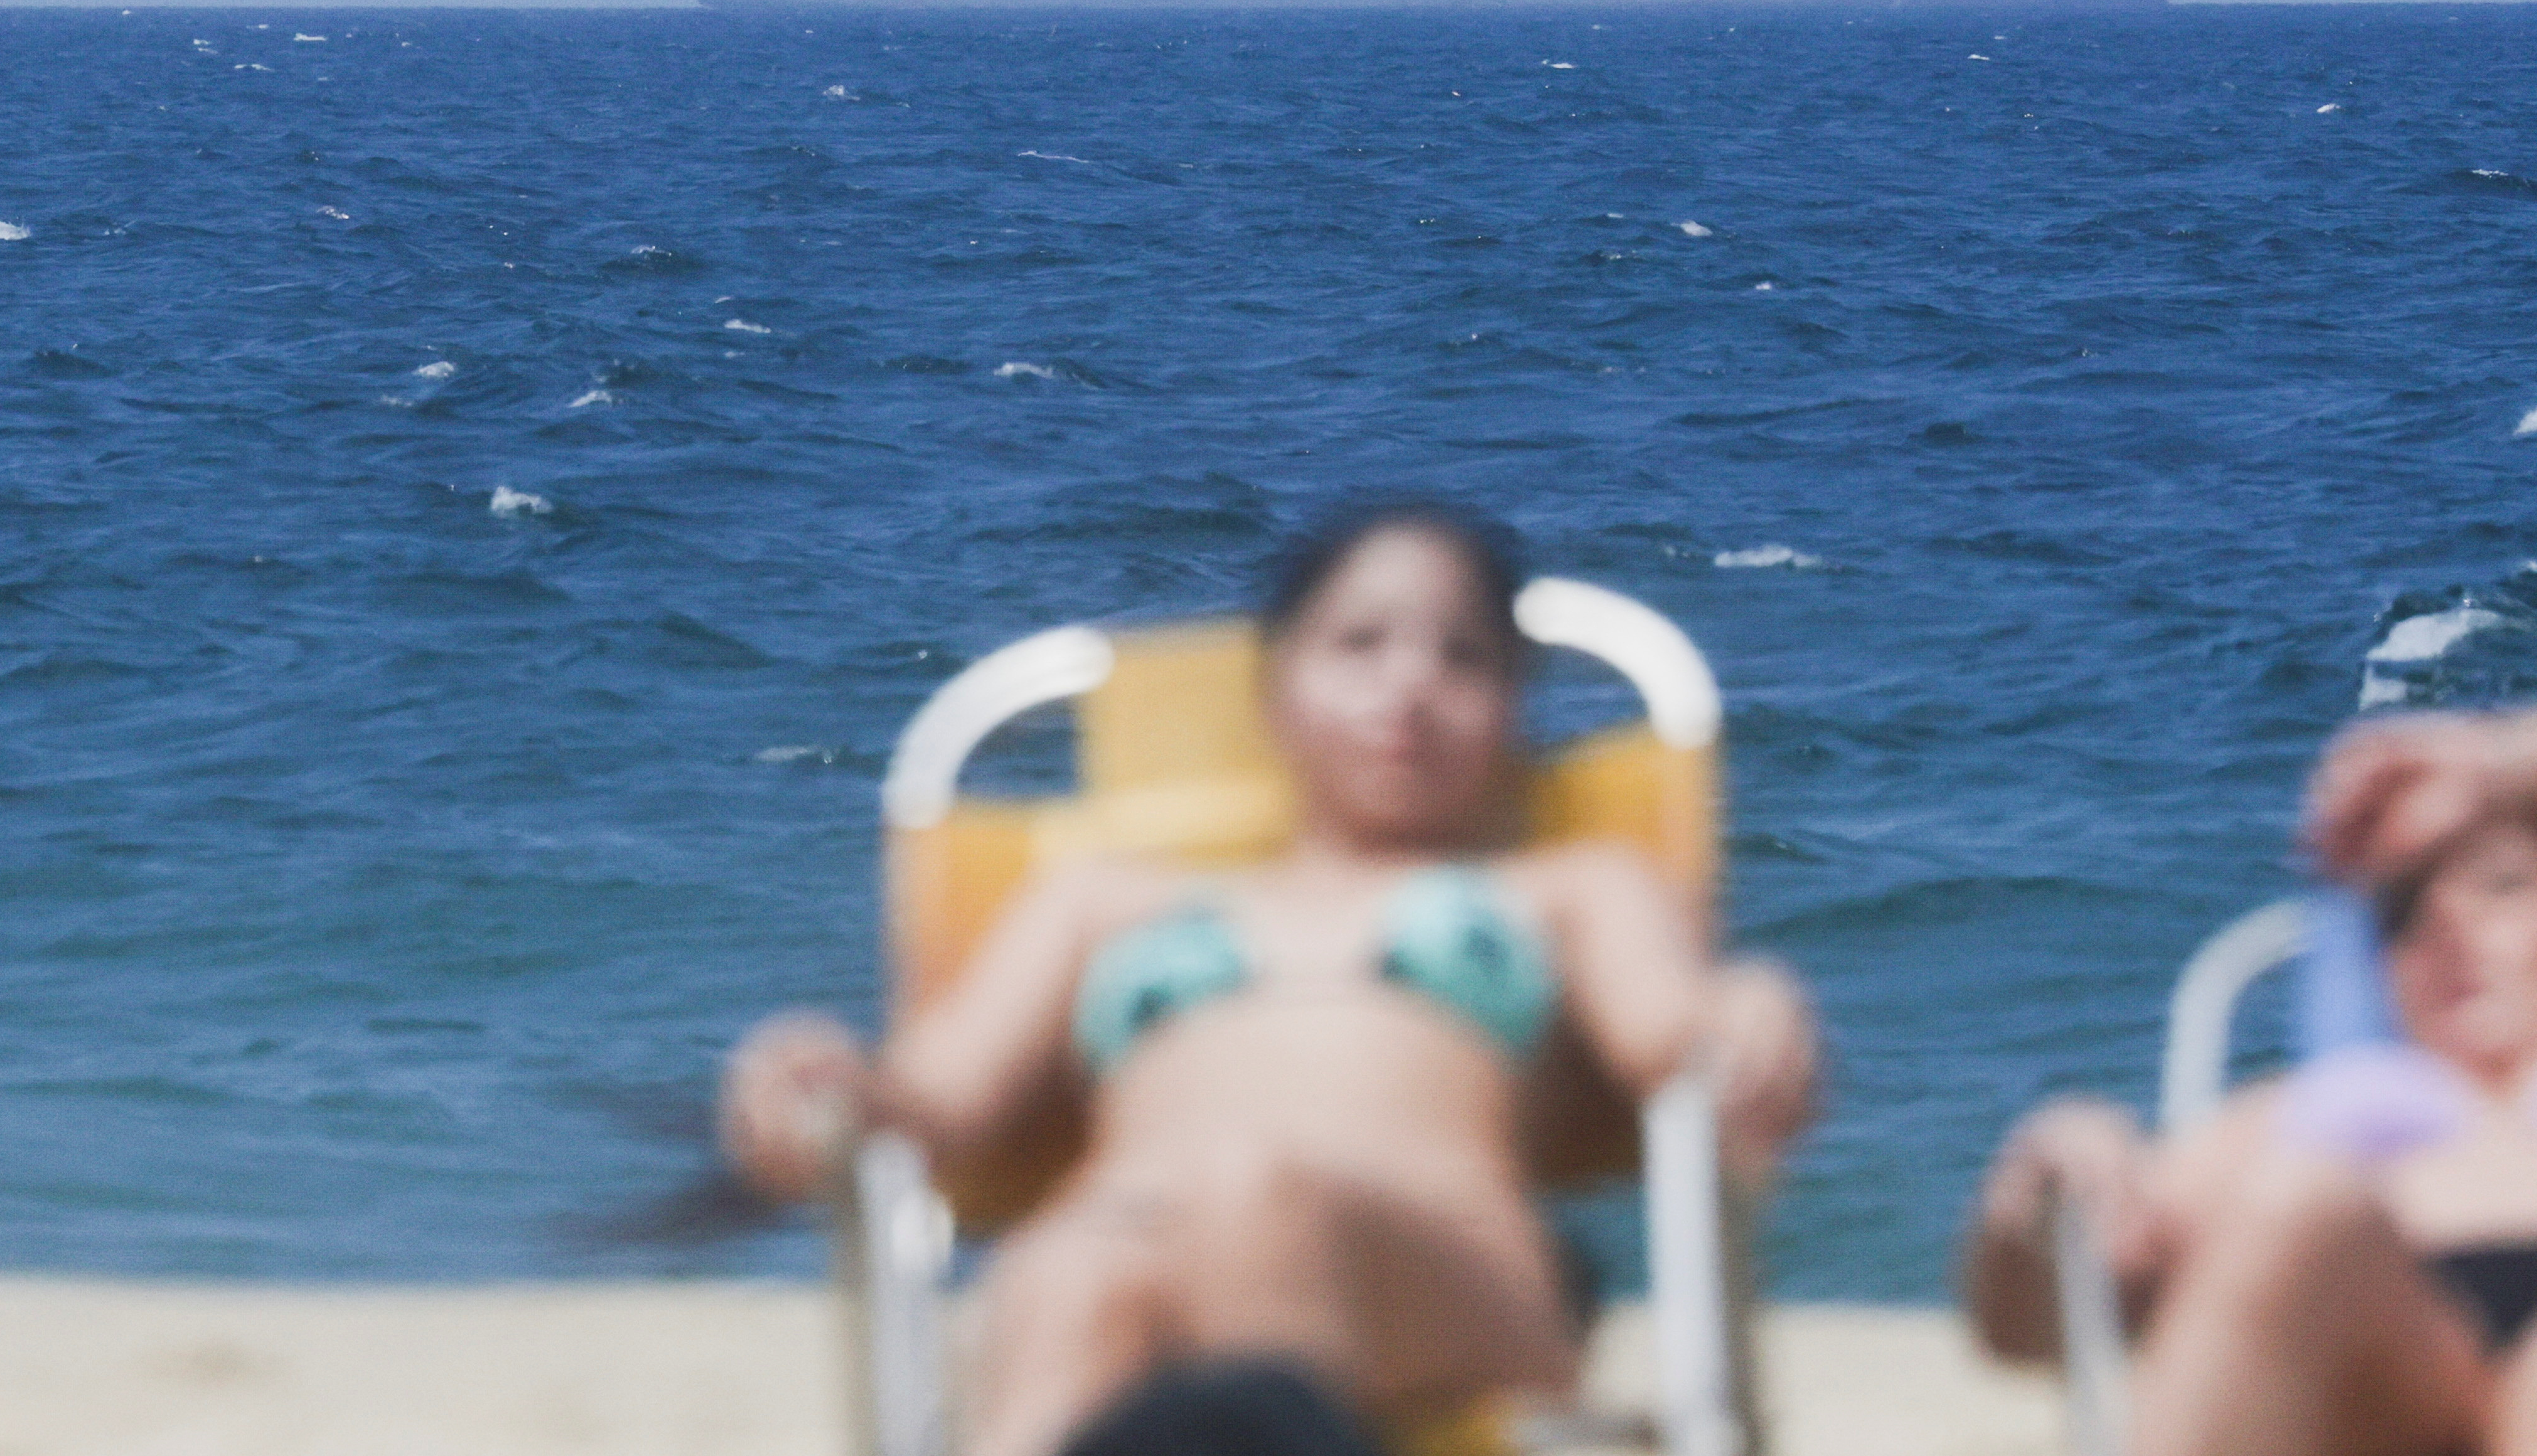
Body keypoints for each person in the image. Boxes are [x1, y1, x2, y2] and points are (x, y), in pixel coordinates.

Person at [721, 503, 1819, 1456]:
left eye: (1465, 656)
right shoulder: (1101, 898)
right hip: (1126, 1237)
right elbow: (937, 1096)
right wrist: (815, 1076)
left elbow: (1677, 1030)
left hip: (1448, 1270)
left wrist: (1750, 1007)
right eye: (1360, 643)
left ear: (1512, 707)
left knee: (1259, 1193)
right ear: (1275, 688)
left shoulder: (1565, 887)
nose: (1410, 686)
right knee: (1067, 1287)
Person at [1960, 662, 2537, 1456]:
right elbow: (2032, 1330)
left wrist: (2504, 765)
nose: (2449, 924)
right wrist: (2043, 1188)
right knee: (2300, 1210)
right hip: (2378, 1350)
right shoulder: (2307, 1113)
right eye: (2413, 918)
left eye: (2507, 886)